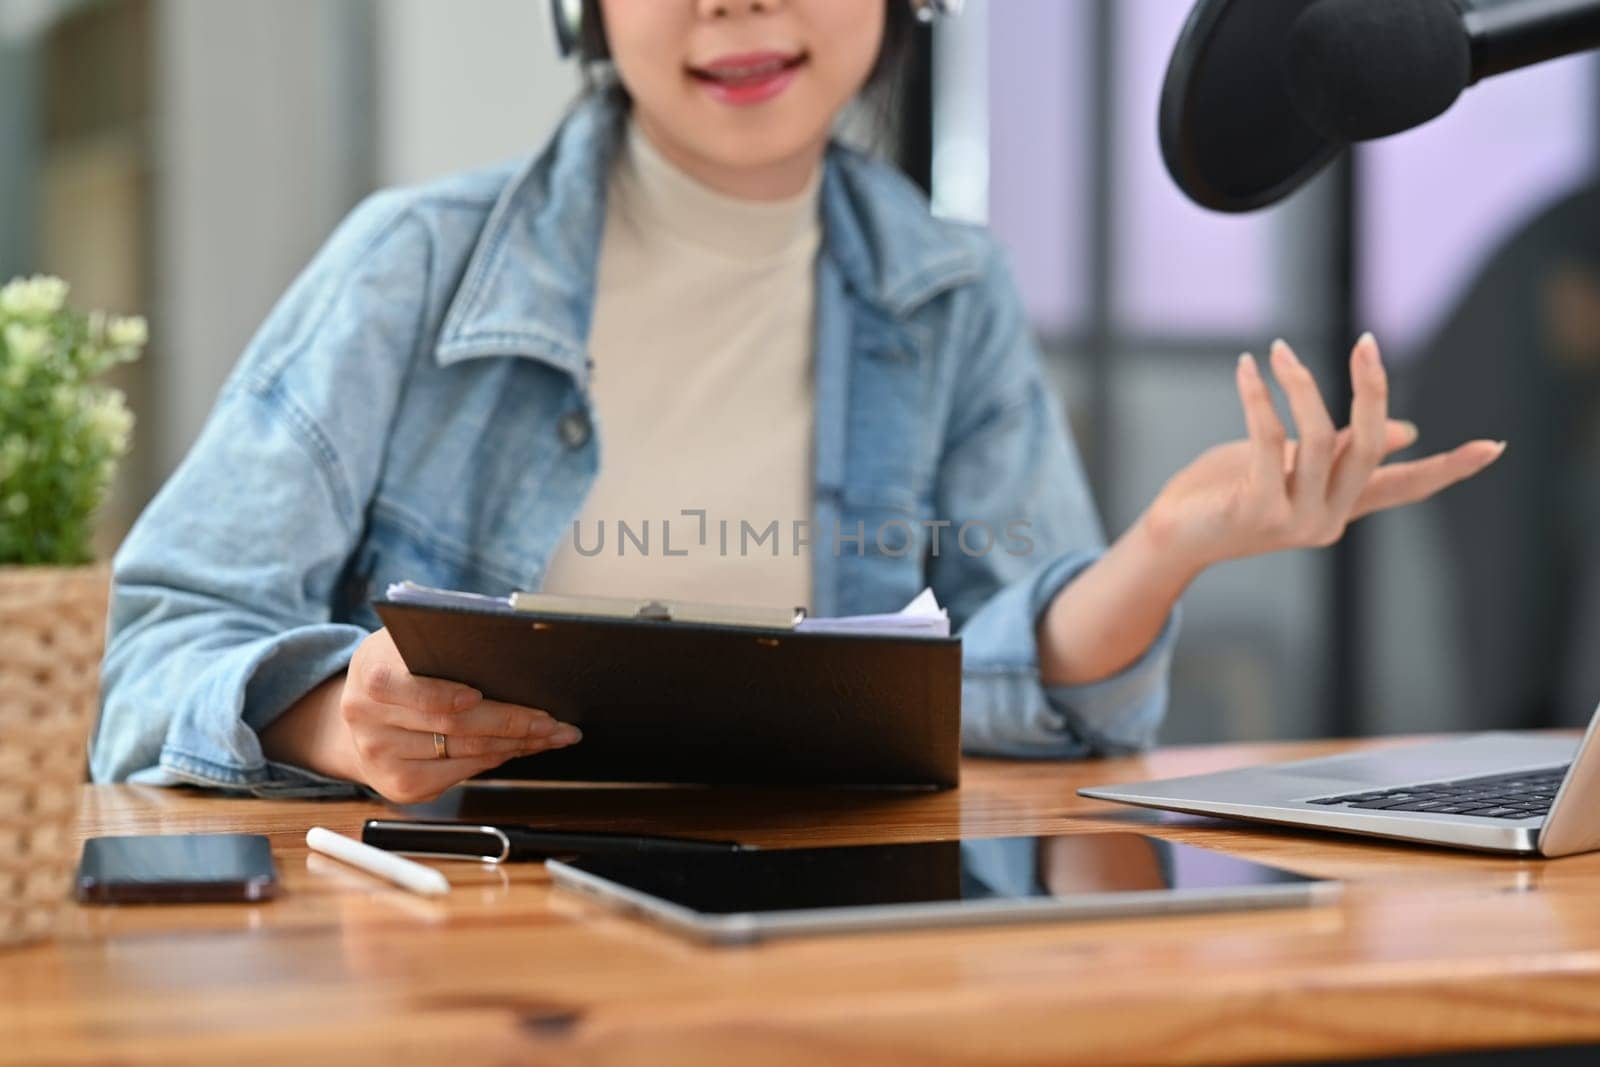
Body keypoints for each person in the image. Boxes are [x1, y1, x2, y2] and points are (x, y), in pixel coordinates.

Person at [92, 0, 1503, 803]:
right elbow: (150, 652)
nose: (740, 4)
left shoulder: (948, 293)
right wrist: (333, 712)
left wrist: (1167, 548)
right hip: (440, 937)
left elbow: (999, 690)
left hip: (824, 936)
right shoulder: (413, 266)